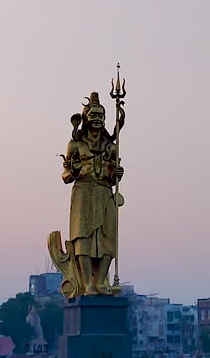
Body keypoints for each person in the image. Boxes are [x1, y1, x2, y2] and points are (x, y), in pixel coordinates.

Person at [61, 92, 124, 295]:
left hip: (104, 192)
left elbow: (114, 176)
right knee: (83, 238)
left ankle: (101, 282)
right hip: (83, 192)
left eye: (100, 116)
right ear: (86, 119)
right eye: (93, 115)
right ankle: (88, 283)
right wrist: (74, 171)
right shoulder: (75, 145)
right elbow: (65, 176)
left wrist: (117, 174)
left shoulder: (111, 147)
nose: (97, 119)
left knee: (107, 238)